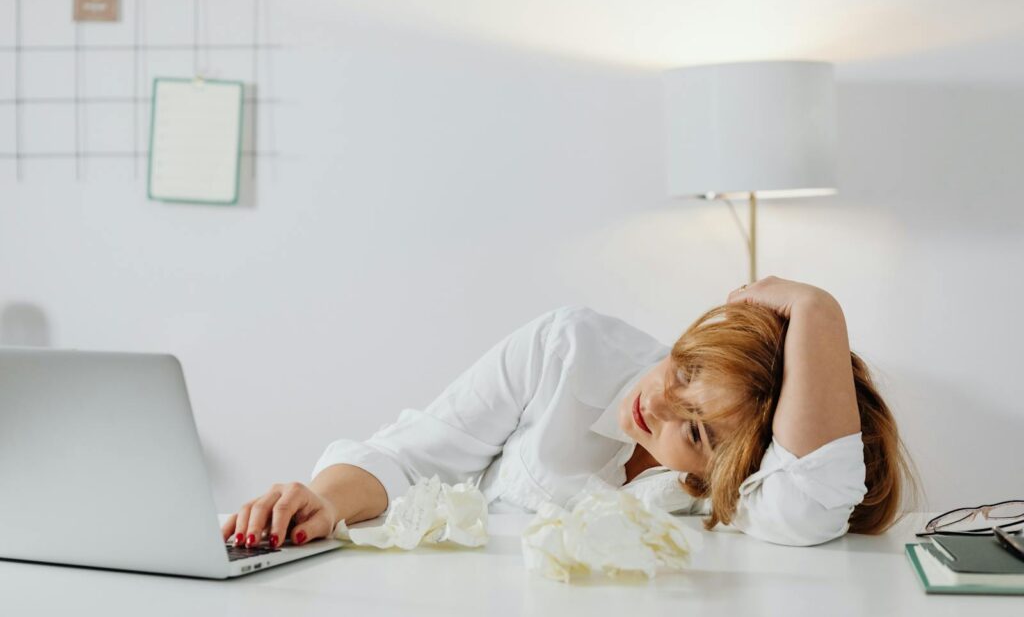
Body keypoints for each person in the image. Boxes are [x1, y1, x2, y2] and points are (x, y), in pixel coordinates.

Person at [223, 276, 919, 550]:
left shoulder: (745, 496)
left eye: (697, 429)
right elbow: (413, 454)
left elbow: (811, 503)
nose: (657, 403)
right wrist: (319, 498)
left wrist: (819, 309)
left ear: (732, 469)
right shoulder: (568, 347)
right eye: (683, 370)